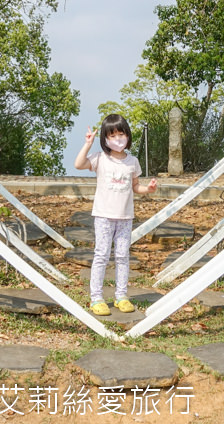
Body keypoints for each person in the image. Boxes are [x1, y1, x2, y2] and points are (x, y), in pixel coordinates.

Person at [74, 113, 158, 315]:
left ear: (128, 135)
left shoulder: (133, 162)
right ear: (105, 139)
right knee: (101, 255)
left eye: (121, 134)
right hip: (103, 216)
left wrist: (149, 190)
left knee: (122, 256)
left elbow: (135, 187)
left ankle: (121, 296)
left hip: (125, 217)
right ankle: (96, 299)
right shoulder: (100, 158)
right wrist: (88, 144)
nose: (118, 139)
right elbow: (78, 164)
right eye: (112, 135)